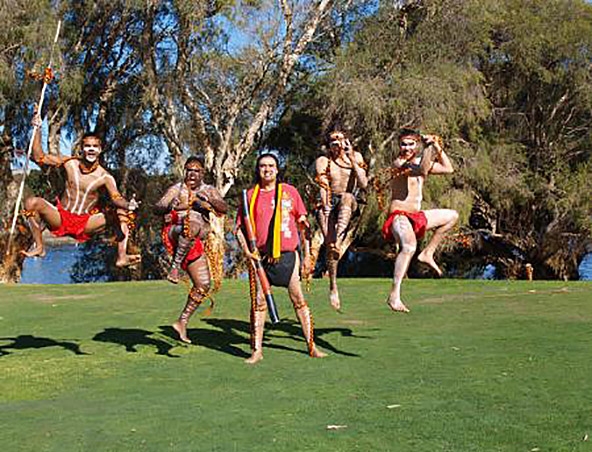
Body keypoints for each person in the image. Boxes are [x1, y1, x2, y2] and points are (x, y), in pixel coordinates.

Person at [236, 153, 327, 364]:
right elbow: (238, 229)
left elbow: (303, 226)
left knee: (298, 300)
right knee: (259, 302)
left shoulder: (290, 192)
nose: (267, 169)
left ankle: (312, 346)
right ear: (258, 170)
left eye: (271, 166)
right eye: (262, 166)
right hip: (260, 259)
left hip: (288, 256)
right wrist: (246, 251)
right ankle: (256, 351)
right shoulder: (249, 196)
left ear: (277, 170)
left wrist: (306, 257)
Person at [21, 114, 140, 267]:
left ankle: (122, 256)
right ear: (82, 149)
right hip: (60, 217)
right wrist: (37, 128)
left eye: (95, 147)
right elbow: (39, 157)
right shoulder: (69, 163)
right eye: (87, 146)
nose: (91, 150)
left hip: (86, 223)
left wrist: (128, 205)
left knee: (123, 213)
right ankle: (39, 246)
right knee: (31, 203)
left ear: (100, 150)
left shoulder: (105, 177)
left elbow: (116, 198)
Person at [383, 128, 458, 313]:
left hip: (416, 216)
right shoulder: (399, 163)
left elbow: (449, 168)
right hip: (400, 216)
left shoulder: (419, 160)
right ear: (399, 145)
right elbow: (422, 170)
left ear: (416, 144)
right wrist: (428, 147)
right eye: (403, 144)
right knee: (408, 247)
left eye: (411, 144)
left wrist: (436, 146)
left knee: (452, 216)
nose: (407, 147)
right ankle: (394, 295)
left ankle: (428, 253)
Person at [155, 155, 228, 343]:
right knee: (191, 223)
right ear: (184, 171)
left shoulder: (209, 190)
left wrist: (206, 201)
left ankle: (182, 322)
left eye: (196, 170)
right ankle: (174, 268)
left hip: (194, 243)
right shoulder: (176, 189)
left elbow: (223, 208)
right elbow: (158, 206)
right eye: (189, 170)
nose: (192, 174)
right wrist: (168, 207)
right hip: (176, 232)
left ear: (202, 172)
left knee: (204, 284)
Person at [314, 128, 368, 311]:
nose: (337, 144)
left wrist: (351, 158)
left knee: (346, 197)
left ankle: (338, 239)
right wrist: (325, 203)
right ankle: (333, 285)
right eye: (333, 141)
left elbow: (364, 183)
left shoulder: (356, 157)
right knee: (330, 248)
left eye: (340, 140)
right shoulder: (323, 160)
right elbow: (322, 184)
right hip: (328, 199)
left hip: (348, 200)